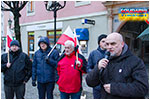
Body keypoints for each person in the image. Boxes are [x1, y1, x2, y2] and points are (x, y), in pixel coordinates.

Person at [86, 32, 148, 99]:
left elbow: (142, 88)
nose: (109, 47)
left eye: (113, 44)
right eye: (107, 44)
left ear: (122, 44)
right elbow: (90, 82)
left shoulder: (135, 62)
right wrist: (97, 68)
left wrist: (114, 88)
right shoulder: (104, 60)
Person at [86, 34, 107, 98]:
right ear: (99, 43)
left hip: (107, 85)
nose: (105, 43)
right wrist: (94, 72)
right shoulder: (93, 53)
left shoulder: (110, 53)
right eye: (103, 41)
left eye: (106, 42)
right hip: (97, 85)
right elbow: (88, 67)